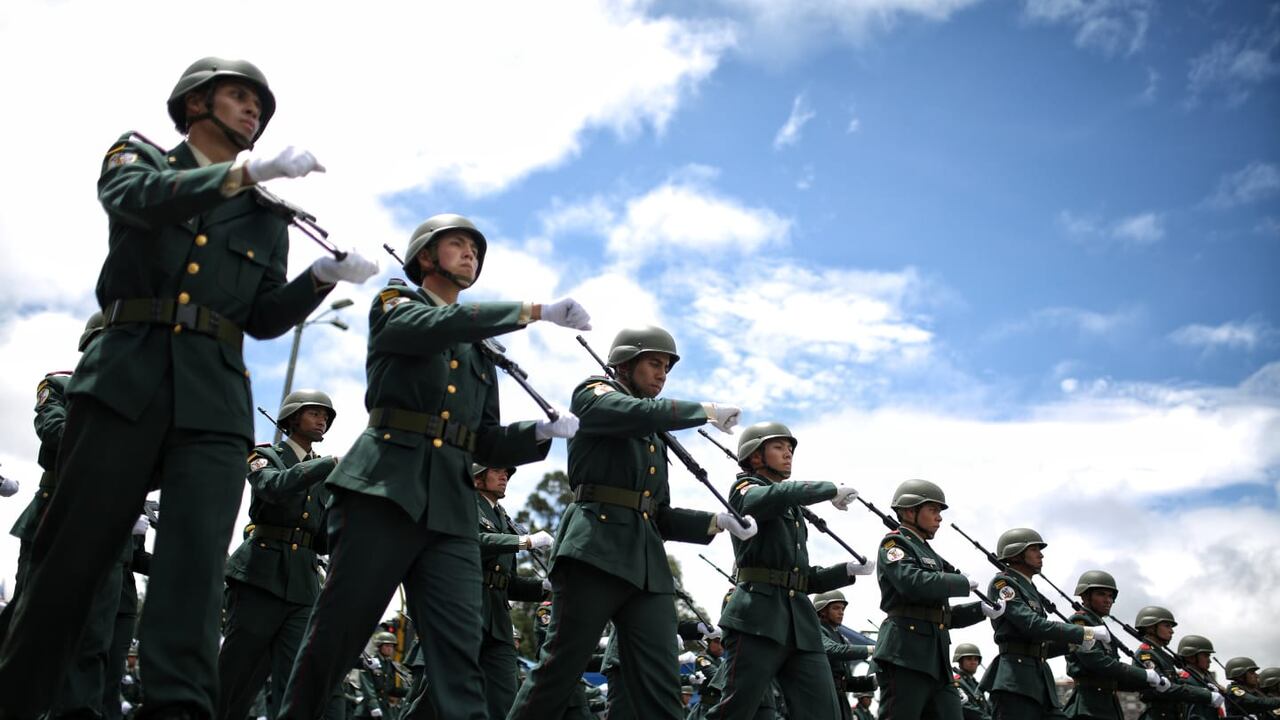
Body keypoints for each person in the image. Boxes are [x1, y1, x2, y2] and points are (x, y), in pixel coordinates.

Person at [0, 55, 378, 717]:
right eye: (237, 96)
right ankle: (22, 696)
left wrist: (320, 277)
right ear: (194, 103)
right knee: (74, 558)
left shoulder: (266, 213)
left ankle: (178, 707)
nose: (252, 110)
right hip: (126, 374)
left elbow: (260, 319)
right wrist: (240, 174)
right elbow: (134, 202)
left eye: (258, 104)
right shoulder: (140, 156)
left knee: (195, 566)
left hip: (214, 396)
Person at [279, 213, 585, 720]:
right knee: (338, 633)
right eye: (458, 244)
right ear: (425, 256)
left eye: (476, 250)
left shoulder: (479, 351)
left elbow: (483, 437)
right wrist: (533, 311)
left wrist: (537, 434)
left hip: (450, 509)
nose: (471, 254)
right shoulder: (397, 301)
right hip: (382, 489)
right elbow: (429, 326)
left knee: (458, 650)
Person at [507, 325, 750, 720]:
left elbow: (660, 513)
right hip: (594, 549)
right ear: (625, 363)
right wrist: (702, 411)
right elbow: (631, 413)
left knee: (661, 680)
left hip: (646, 565)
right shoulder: (594, 394)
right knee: (560, 671)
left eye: (666, 368)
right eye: (654, 364)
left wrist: (716, 521)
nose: (661, 374)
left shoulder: (651, 433)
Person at [705, 421, 869, 719]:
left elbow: (801, 577)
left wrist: (845, 570)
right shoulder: (745, 489)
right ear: (755, 456)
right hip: (758, 618)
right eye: (779, 447)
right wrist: (828, 489)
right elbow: (771, 498)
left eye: (790, 449)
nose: (788, 453)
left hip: (799, 625)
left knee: (823, 712)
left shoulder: (792, 509)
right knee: (736, 710)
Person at [216, 390, 342, 720]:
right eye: (315, 413)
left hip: (302, 584)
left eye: (325, 416)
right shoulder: (264, 455)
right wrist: (325, 465)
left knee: (297, 681)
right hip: (261, 574)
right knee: (237, 674)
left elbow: (324, 538)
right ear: (292, 418)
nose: (322, 419)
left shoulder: (326, 473)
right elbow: (272, 488)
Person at [872, 479, 1003, 720]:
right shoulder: (895, 543)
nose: (939, 517)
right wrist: (959, 583)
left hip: (937, 661)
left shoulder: (929, 553)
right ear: (910, 511)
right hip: (905, 655)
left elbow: (941, 616)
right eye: (933, 510)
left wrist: (980, 610)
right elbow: (910, 582)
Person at [980, 528, 1107, 720]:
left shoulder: (1028, 588)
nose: (1041, 554)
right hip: (1015, 679)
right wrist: (1084, 632)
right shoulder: (1004, 584)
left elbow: (1040, 645)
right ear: (1016, 554)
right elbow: (1032, 625)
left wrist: (1073, 643)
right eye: (1034, 549)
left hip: (1038, 678)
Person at [474, 463, 552, 719]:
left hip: (498, 620)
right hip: (467, 611)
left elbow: (510, 582)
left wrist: (545, 588)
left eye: (506, 472)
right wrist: (524, 541)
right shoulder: (464, 503)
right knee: (438, 692)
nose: (504, 475)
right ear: (477, 479)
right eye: (496, 470)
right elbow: (477, 540)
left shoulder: (504, 520)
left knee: (505, 695)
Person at [1062, 571, 1168, 720]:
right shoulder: (1080, 622)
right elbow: (1098, 663)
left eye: (1111, 596)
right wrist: (1144, 674)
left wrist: (1148, 683)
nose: (1108, 600)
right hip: (1088, 706)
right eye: (1101, 594)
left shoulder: (1100, 625)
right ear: (1085, 596)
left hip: (1108, 705)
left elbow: (1115, 675)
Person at [1130, 606, 1216, 720]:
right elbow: (1162, 688)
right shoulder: (1146, 654)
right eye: (1167, 626)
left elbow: (1173, 683)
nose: (1172, 631)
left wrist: (1203, 688)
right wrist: (1205, 694)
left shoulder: (1161, 654)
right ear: (1151, 627)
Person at [814, 590, 875, 720]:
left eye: (842, 609)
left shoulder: (839, 637)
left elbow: (844, 681)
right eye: (836, 608)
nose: (841, 612)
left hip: (839, 699)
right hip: (822, 697)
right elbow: (834, 650)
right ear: (822, 611)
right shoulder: (816, 629)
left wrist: (876, 681)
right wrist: (872, 649)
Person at [1174, 635, 1228, 720]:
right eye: (1206, 656)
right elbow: (1193, 715)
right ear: (1191, 657)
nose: (1209, 660)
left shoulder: (1205, 679)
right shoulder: (1187, 681)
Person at [951, 644, 991, 720]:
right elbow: (965, 707)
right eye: (969, 659)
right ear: (960, 661)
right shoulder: (956, 682)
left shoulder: (976, 684)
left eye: (976, 659)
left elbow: (986, 707)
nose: (973, 662)